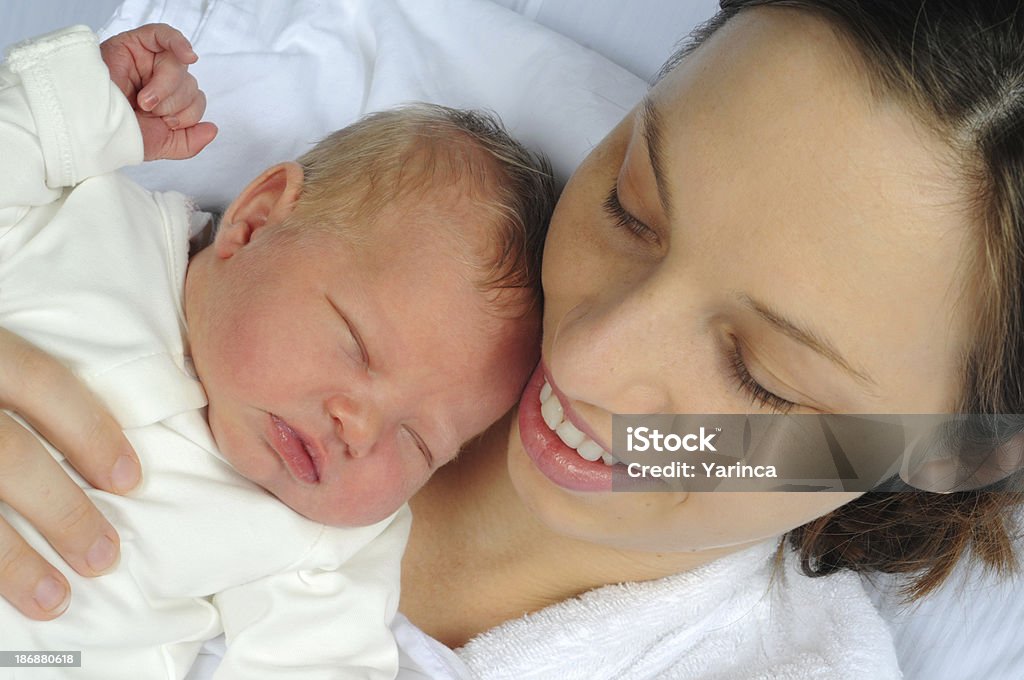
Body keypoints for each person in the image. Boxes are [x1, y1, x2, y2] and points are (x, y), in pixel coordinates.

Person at [3, 0, 1024, 677]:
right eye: (631, 207)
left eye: (760, 373)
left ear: (950, 450)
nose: (581, 359)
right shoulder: (338, 193)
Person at [0, 22, 552, 679]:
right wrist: (83, 107)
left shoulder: (327, 542)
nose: (362, 428)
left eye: (417, 442)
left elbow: (321, 661)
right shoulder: (80, 221)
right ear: (257, 220)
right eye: (356, 344)